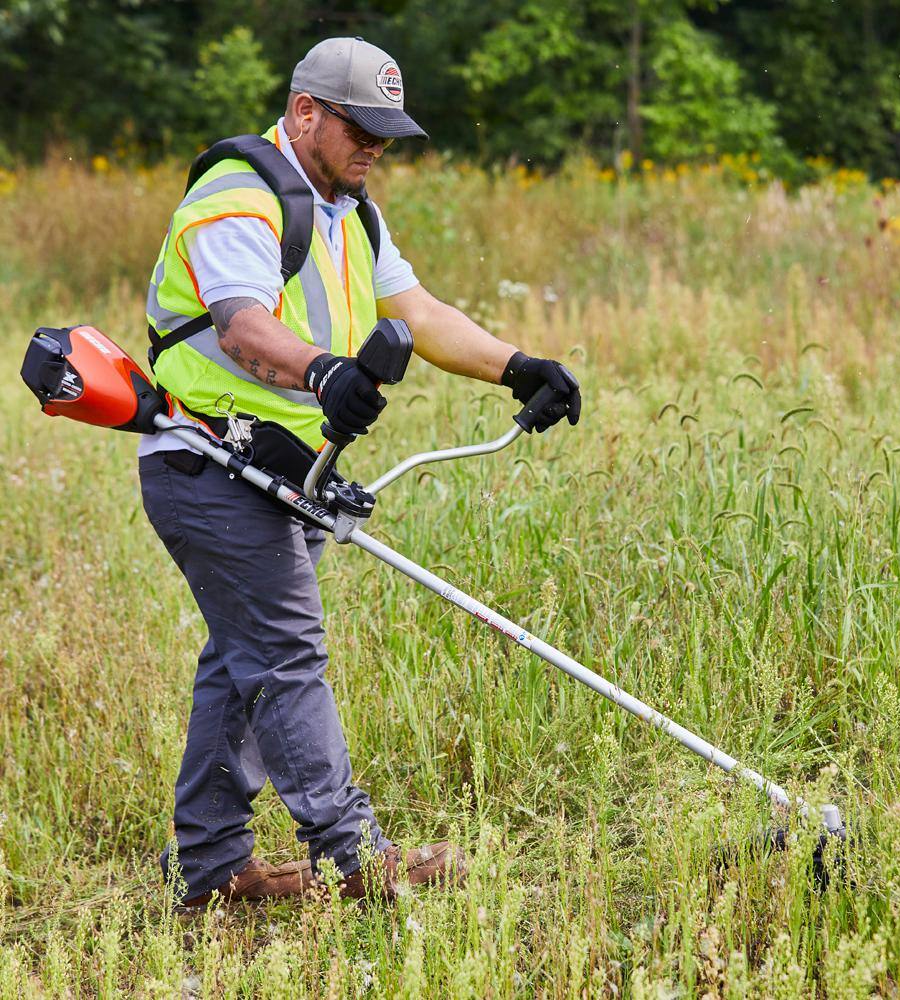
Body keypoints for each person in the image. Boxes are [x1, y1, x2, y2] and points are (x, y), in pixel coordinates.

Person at [139, 37, 581, 909]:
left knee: (245, 663)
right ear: (305, 112)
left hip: (285, 470)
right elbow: (240, 326)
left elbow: (416, 312)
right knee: (286, 656)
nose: (376, 148)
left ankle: (213, 869)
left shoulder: (350, 210)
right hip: (210, 461)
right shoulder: (238, 193)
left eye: (387, 133)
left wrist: (515, 365)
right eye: (360, 128)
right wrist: (324, 372)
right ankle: (355, 858)